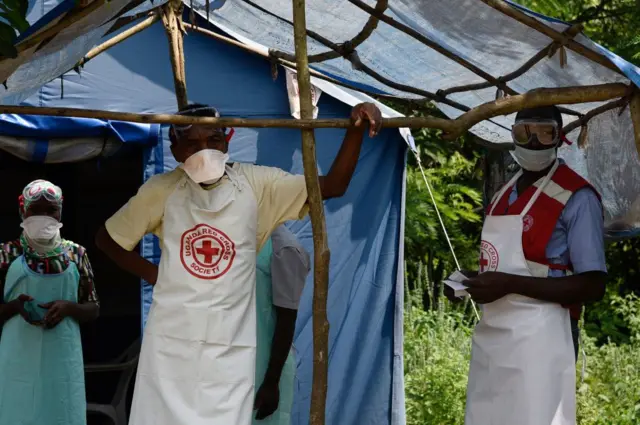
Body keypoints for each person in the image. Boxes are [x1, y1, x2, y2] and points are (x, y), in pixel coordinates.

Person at [95, 102, 382, 425]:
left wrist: (356, 132)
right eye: (191, 144)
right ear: (174, 148)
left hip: (231, 344)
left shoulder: (258, 185)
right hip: (173, 343)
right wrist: (155, 274)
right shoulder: (161, 190)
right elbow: (108, 239)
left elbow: (332, 186)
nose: (204, 151)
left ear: (228, 140)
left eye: (213, 141)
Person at [447, 106, 607, 425]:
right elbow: (505, 264)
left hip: (543, 336)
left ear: (560, 139)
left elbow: (593, 284)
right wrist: (469, 280)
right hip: (495, 334)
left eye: (544, 132)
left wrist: (509, 284)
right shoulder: (503, 193)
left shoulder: (578, 197)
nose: (533, 142)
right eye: (524, 132)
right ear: (512, 135)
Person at [0, 179, 100, 425]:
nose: (44, 216)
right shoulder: (6, 254)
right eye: (36, 210)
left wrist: (69, 308)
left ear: (60, 211)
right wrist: (15, 307)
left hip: (62, 356)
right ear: (23, 211)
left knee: (62, 410)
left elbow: (93, 307)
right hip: (19, 355)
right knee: (20, 410)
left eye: (50, 210)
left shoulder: (76, 254)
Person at [254, 224, 310, 424]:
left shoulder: (284, 247)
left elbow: (287, 318)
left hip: (264, 370)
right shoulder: (242, 238)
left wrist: (271, 382)